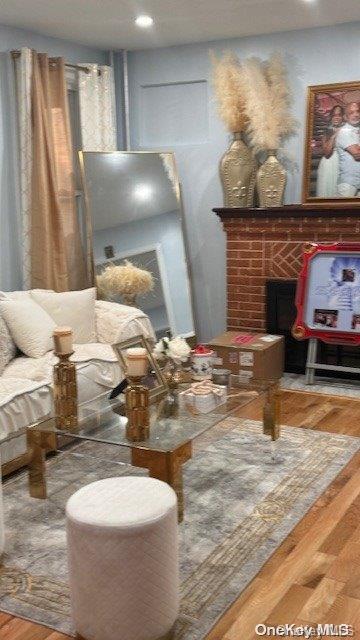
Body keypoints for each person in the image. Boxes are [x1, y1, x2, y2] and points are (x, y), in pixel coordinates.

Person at [316, 105, 344, 198]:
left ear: (342, 117)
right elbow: (327, 153)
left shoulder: (346, 130)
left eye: (339, 115)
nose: (336, 117)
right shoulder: (327, 132)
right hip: (329, 164)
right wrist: (334, 135)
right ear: (331, 117)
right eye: (334, 115)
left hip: (342, 164)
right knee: (328, 191)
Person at [336, 102, 360, 197]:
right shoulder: (344, 132)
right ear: (345, 117)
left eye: (357, 111)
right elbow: (357, 154)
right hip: (348, 184)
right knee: (344, 212)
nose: (356, 114)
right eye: (351, 113)